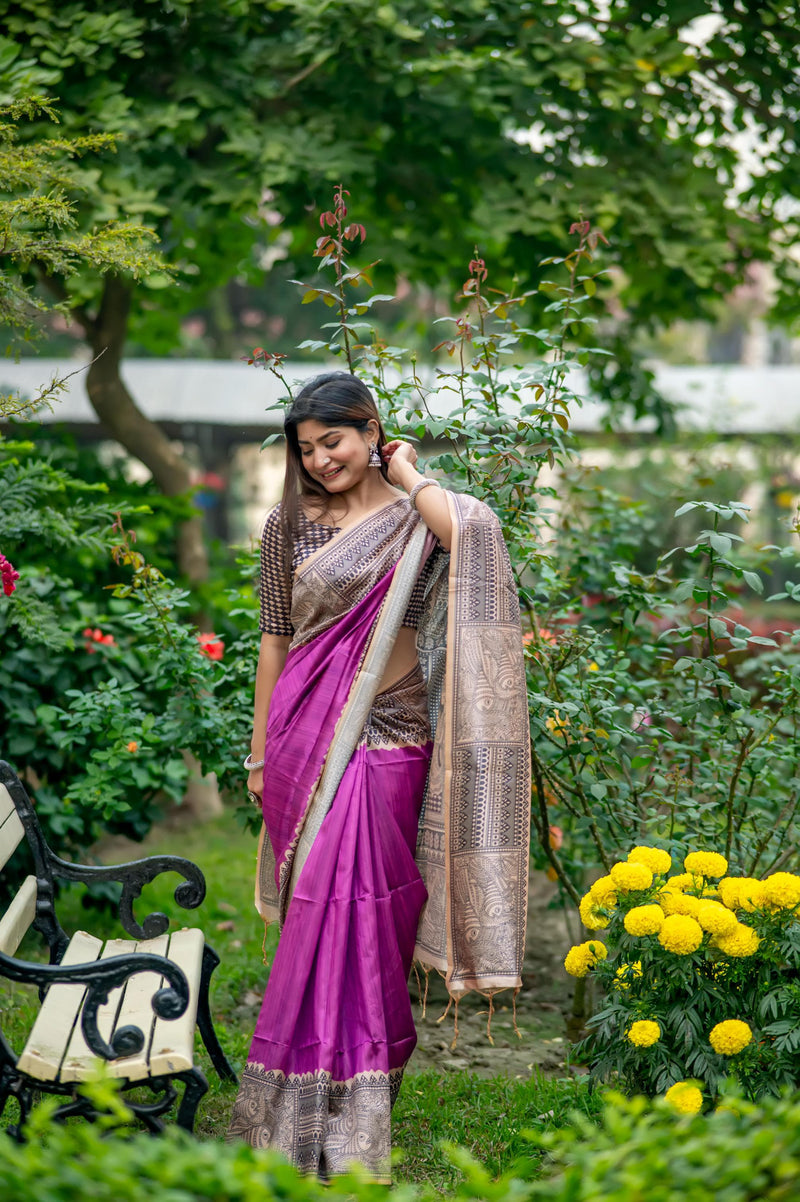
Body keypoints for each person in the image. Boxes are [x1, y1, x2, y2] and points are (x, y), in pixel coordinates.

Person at [227, 372, 530, 1180]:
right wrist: (259, 754)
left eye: (333, 441)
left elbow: (476, 535)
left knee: (373, 920)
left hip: (392, 734)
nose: (320, 460)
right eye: (305, 449)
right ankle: (291, 1112)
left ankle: (357, 1110)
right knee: (316, 916)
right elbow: (273, 640)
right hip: (303, 738)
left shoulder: (415, 518)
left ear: (370, 432)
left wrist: (408, 471)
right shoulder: (287, 526)